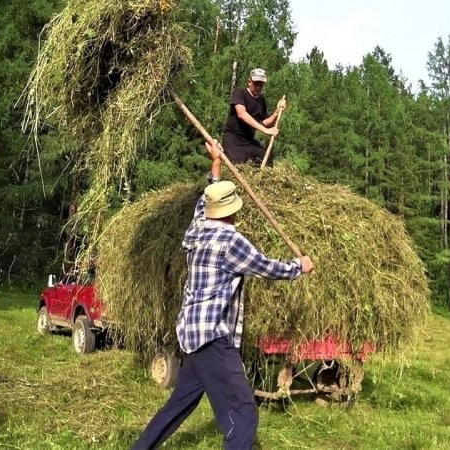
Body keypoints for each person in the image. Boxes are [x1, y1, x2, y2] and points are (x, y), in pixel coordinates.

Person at [131, 139, 314, 450]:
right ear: (232, 211)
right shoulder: (231, 241)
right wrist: (301, 266)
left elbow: (203, 204)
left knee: (178, 405)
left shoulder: (197, 230)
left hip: (190, 333)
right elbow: (267, 268)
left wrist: (215, 164)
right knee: (244, 415)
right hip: (213, 339)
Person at [222, 67, 286, 165]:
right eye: (256, 84)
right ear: (249, 82)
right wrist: (266, 131)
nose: (258, 87)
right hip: (233, 139)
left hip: (249, 141)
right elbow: (242, 114)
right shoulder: (239, 93)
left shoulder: (261, 100)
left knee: (265, 157)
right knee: (237, 164)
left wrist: (277, 112)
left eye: (261, 85)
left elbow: (266, 122)